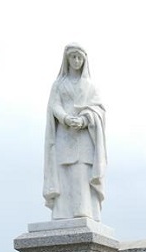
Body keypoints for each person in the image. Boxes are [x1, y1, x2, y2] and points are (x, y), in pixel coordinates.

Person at [43, 43, 106, 222]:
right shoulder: (59, 85)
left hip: (84, 137)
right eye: (73, 57)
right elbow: (54, 105)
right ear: (67, 59)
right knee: (64, 173)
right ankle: (62, 212)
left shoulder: (91, 86)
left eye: (80, 58)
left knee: (80, 174)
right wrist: (65, 118)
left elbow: (98, 110)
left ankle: (84, 210)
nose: (76, 61)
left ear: (84, 61)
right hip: (64, 135)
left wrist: (85, 119)